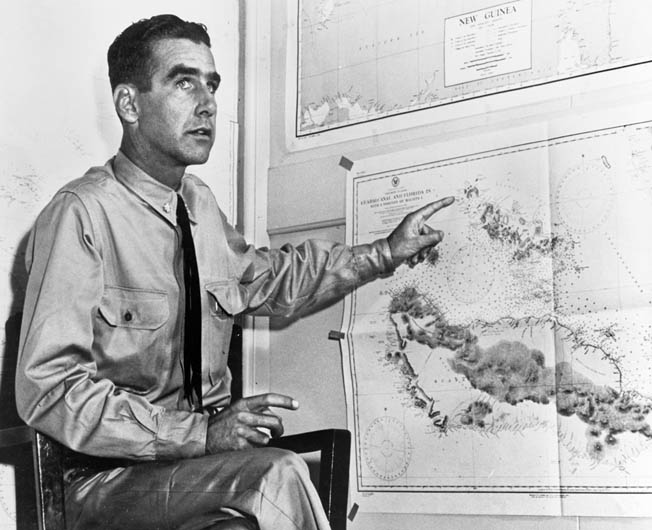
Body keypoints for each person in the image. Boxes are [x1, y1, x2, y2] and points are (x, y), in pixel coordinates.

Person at [15, 14, 454, 530]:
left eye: (212, 85)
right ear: (129, 104)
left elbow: (269, 280)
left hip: (192, 470)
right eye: (184, 83)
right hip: (105, 482)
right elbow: (50, 389)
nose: (207, 104)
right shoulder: (81, 214)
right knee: (277, 474)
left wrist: (384, 253)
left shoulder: (198, 205)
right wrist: (200, 434)